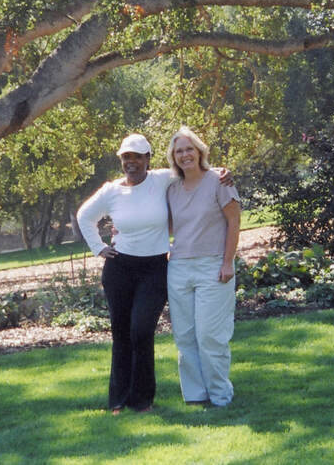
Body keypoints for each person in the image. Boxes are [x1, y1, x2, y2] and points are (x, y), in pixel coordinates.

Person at [77, 133, 230, 414]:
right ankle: (119, 400)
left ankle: (142, 399)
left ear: (148, 159)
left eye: (137, 156)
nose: (131, 162)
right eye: (126, 157)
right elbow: (84, 215)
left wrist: (221, 172)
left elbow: (195, 169)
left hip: (155, 269)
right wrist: (99, 248)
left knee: (142, 330)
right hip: (119, 268)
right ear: (121, 160)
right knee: (121, 334)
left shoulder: (162, 179)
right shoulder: (111, 190)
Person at [165, 126, 240, 407]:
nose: (185, 155)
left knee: (210, 335)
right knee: (184, 336)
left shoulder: (219, 180)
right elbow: (161, 222)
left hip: (213, 266)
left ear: (200, 151)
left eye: (189, 149)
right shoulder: (171, 188)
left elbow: (234, 221)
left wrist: (227, 262)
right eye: (179, 151)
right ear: (174, 157)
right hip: (179, 268)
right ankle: (196, 396)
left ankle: (220, 395)